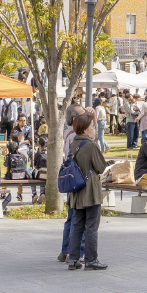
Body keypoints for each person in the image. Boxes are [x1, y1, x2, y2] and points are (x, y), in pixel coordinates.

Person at [65, 113, 107, 271]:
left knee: (78, 225)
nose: (95, 130)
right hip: (90, 191)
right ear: (85, 129)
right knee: (91, 226)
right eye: (92, 127)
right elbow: (101, 167)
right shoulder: (90, 146)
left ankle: (73, 259)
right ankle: (91, 260)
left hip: (76, 191)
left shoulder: (73, 143)